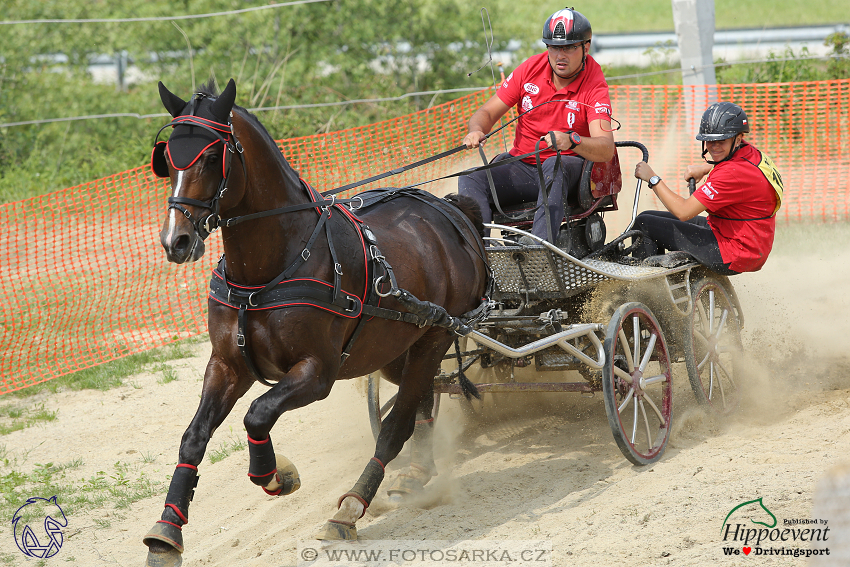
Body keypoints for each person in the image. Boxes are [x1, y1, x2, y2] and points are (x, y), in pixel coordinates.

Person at [458, 7, 615, 244]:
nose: (560, 55)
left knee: (554, 165)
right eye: (554, 47)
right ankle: (480, 254)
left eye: (569, 47)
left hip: (568, 170)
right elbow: (487, 112)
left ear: (586, 47)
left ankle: (540, 249)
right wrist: (476, 130)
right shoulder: (530, 68)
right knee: (471, 177)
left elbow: (605, 148)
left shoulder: (595, 84)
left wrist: (571, 141)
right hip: (522, 168)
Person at [632, 101, 783, 274]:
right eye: (709, 140)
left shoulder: (730, 174)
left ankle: (644, 291)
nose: (714, 146)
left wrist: (652, 178)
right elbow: (742, 173)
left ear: (738, 138)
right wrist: (705, 168)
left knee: (644, 225)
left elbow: (683, 211)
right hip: (747, 242)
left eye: (721, 140)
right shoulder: (749, 152)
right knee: (645, 216)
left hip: (733, 251)